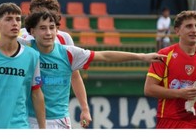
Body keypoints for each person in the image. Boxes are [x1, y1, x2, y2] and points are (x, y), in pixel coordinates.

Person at [15, 10, 165, 129]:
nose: (48, 32)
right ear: (32, 31)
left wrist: (142, 57)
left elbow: (105, 56)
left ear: (57, 30)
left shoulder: (68, 53)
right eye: (42, 28)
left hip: (60, 121)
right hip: (29, 120)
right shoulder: (24, 48)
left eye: (52, 28)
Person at [0, 0, 92, 127]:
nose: (45, 19)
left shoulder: (64, 38)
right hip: (27, 113)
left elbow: (75, 76)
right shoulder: (21, 35)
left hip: (58, 117)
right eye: (40, 14)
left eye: (50, 16)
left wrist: (85, 108)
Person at [144, 10, 196, 128]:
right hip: (170, 121)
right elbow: (149, 89)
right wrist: (179, 93)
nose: (194, 30)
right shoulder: (164, 55)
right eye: (189, 26)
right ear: (177, 31)